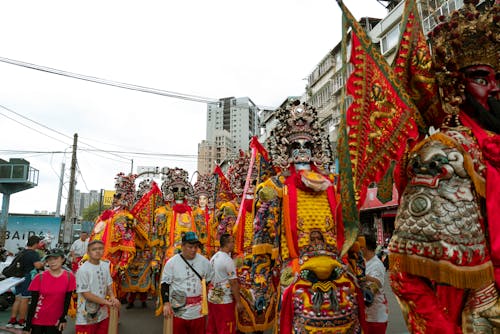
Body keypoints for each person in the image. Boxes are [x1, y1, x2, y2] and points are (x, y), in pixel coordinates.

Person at [248, 101, 365, 333]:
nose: (302, 150)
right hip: (295, 268)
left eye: (308, 144)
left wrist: (361, 276)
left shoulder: (332, 185)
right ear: (286, 151)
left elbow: (349, 232)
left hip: (336, 266)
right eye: (295, 146)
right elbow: (263, 241)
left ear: (316, 148)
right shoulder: (274, 188)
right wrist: (260, 288)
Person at [160, 232, 213, 334]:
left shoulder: (204, 262)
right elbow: (165, 284)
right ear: (182, 246)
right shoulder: (172, 263)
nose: (193, 250)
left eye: (196, 247)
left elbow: (209, 281)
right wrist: (166, 303)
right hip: (178, 312)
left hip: (198, 312)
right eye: (190, 247)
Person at [24, 249, 76, 334]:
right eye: (50, 259)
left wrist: (63, 318)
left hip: (56, 321)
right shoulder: (39, 277)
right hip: (38, 320)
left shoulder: (69, 277)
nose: (52, 262)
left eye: (56, 258)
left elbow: (67, 300)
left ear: (63, 259)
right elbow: (33, 303)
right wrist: (28, 325)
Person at [75, 239, 121, 334]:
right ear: (88, 252)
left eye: (100, 249)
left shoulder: (105, 265)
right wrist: (107, 303)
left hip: (102, 314)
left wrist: (112, 297)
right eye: (94, 249)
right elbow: (86, 294)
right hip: (86, 317)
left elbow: (108, 284)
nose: (97, 251)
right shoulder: (83, 270)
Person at [6, 235, 44, 329]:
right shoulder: (33, 254)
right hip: (27, 278)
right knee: (25, 299)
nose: (40, 245)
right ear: (35, 243)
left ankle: (12, 320)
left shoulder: (21, 252)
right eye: (39, 243)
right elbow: (38, 266)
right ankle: (21, 321)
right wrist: (44, 263)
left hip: (17, 278)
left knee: (18, 299)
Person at [207, 234, 243, 334]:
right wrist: (239, 302)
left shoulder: (214, 257)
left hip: (212, 298)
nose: (234, 244)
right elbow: (233, 282)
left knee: (212, 327)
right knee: (226, 328)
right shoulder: (227, 260)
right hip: (224, 301)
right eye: (232, 242)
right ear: (227, 244)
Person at [361, 235, 388, 334]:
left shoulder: (377, 264)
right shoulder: (363, 262)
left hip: (376, 316)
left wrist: (362, 276)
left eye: (360, 246)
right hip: (366, 314)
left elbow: (378, 283)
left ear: (365, 248)